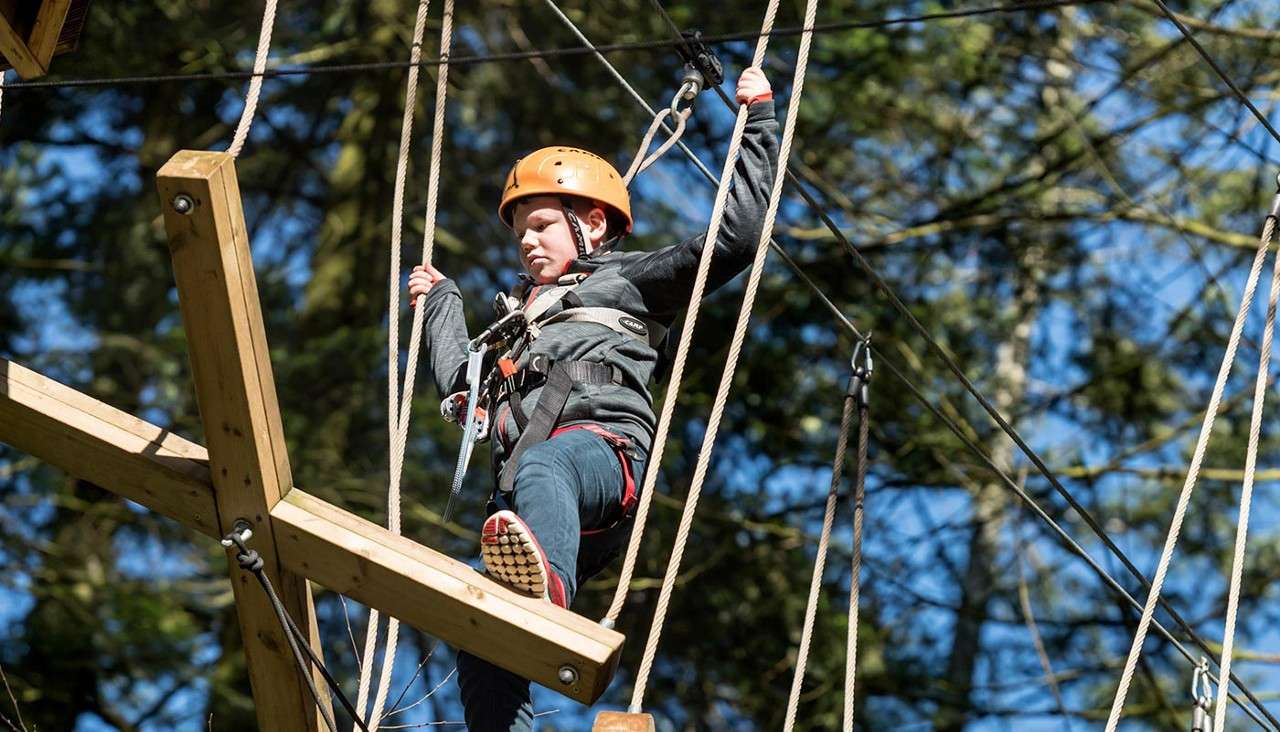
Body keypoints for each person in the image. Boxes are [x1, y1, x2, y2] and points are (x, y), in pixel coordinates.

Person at [408, 66, 778, 730]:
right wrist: (442, 302)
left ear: (596, 226)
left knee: (550, 465)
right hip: (531, 498)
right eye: (520, 230)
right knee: (481, 633)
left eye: (543, 224)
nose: (526, 241)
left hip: (601, 460)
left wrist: (758, 123)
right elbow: (462, 385)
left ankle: (544, 598)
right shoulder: (517, 325)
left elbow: (735, 241)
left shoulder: (628, 282)